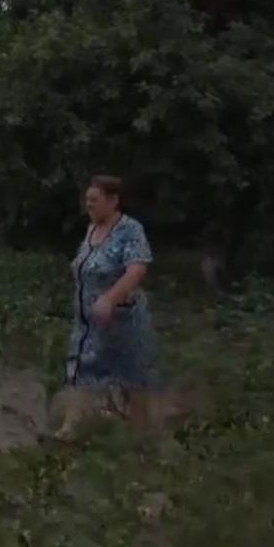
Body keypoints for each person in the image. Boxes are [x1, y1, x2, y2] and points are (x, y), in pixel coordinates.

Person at [55, 175, 157, 440]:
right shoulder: (92, 229)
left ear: (113, 201)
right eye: (87, 200)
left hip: (122, 320)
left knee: (133, 379)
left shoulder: (130, 230)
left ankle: (141, 437)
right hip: (89, 321)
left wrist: (111, 298)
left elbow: (137, 270)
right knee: (82, 371)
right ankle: (69, 431)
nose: (88, 205)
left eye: (94, 200)